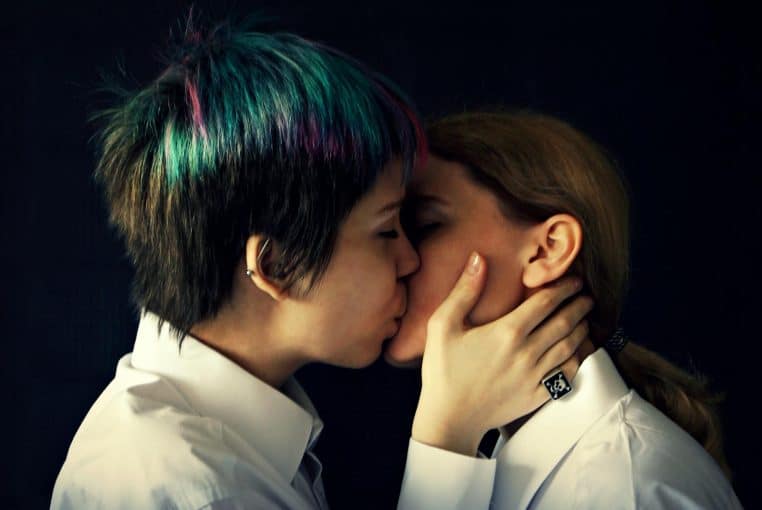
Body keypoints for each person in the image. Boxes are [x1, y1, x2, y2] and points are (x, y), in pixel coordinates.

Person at [50, 17, 593, 510]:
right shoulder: (191, 489)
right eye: (387, 230)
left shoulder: (235, 435)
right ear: (277, 265)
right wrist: (444, 441)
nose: (409, 260)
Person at [387, 110, 743, 509]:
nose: (395, 257)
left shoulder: (619, 489)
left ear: (548, 248)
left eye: (422, 224)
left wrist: (441, 442)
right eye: (387, 228)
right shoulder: (528, 456)